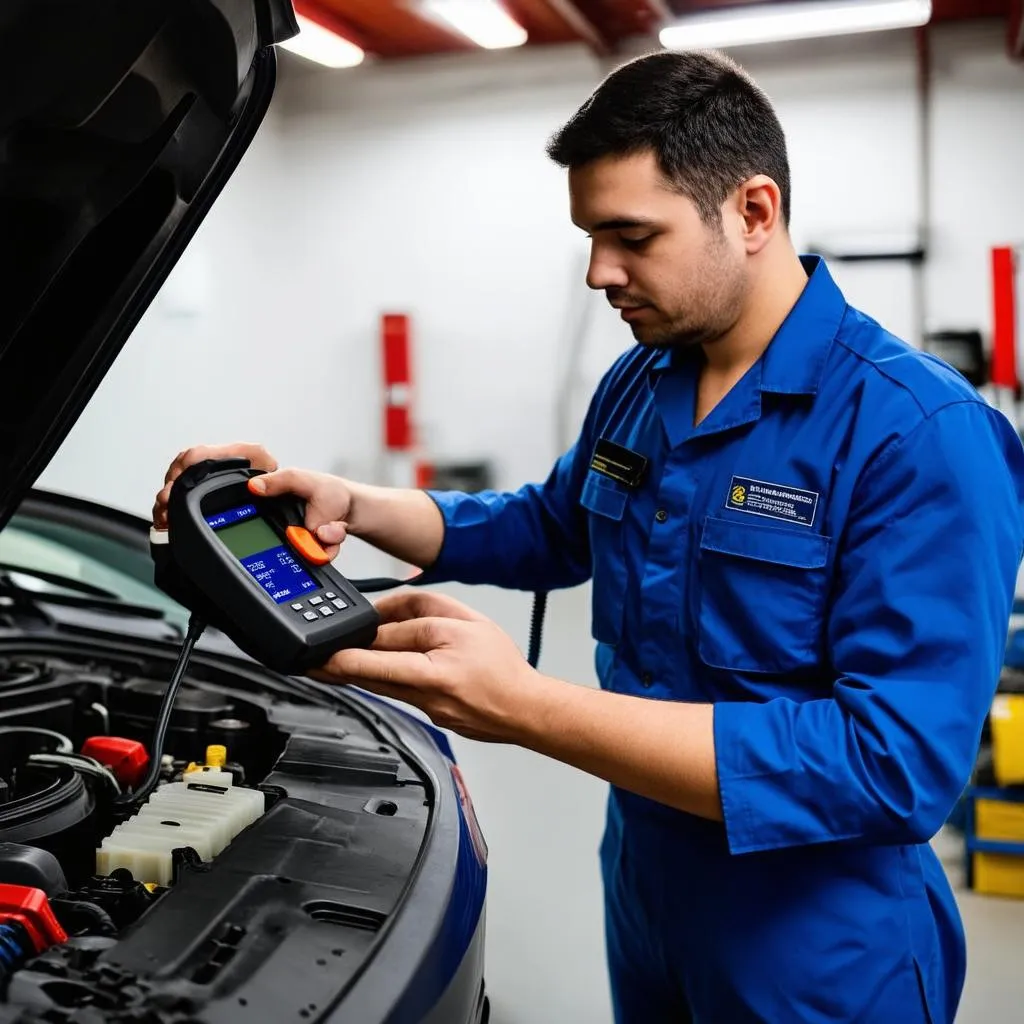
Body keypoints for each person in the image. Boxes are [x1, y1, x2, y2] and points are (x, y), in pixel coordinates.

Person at [155, 50, 1024, 1024]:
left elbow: (891, 765)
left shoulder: (918, 434)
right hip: (648, 883)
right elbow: (553, 523)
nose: (598, 272)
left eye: (630, 236)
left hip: (816, 938)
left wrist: (525, 704)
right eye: (589, 236)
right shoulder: (644, 382)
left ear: (752, 212)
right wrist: (354, 501)